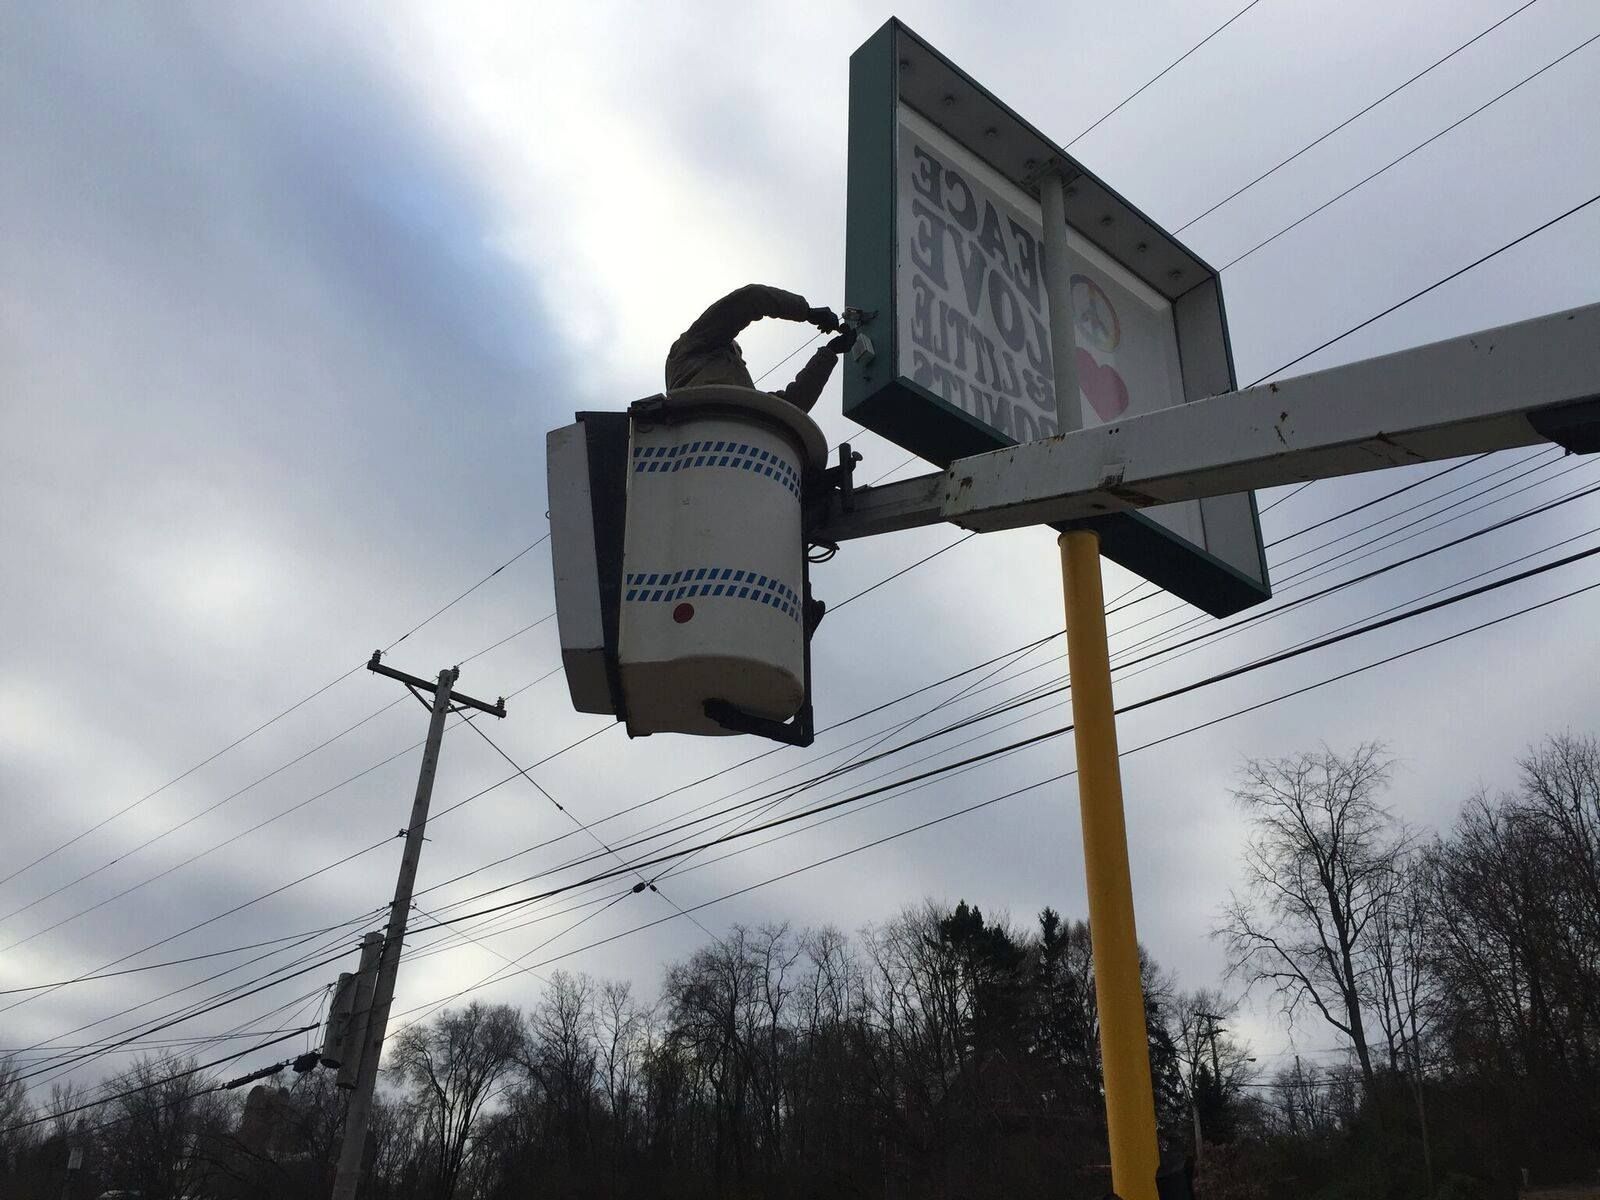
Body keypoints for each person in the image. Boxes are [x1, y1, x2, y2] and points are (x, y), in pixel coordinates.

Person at [665, 284, 855, 413]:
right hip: (707, 428)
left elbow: (794, 406)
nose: (741, 361)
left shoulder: (744, 400)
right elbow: (752, 298)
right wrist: (807, 312)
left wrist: (829, 353)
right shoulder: (692, 345)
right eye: (734, 354)